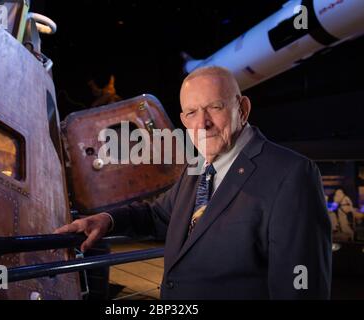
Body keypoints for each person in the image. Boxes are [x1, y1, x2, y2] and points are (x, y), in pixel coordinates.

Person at [55, 66, 332, 299]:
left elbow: (302, 290)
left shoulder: (292, 175)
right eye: (191, 112)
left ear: (243, 109)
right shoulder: (198, 166)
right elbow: (159, 215)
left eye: (215, 107)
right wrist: (106, 220)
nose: (202, 123)